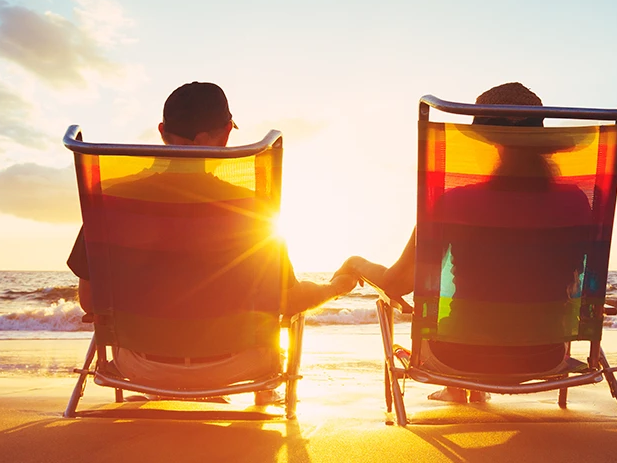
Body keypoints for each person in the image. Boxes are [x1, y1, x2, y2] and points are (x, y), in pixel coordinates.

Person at [69, 81, 358, 403]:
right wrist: (335, 287)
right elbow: (288, 302)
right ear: (222, 136)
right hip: (237, 366)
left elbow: (90, 302)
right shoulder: (253, 209)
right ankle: (263, 395)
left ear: (163, 131)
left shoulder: (111, 202)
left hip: (138, 367)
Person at [336, 82, 590, 403]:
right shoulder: (576, 202)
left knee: (460, 320)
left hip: (459, 356)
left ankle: (458, 386)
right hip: (545, 355)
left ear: (490, 143)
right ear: (541, 141)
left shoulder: (455, 202)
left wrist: (356, 263)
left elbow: (397, 283)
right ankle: (465, 390)